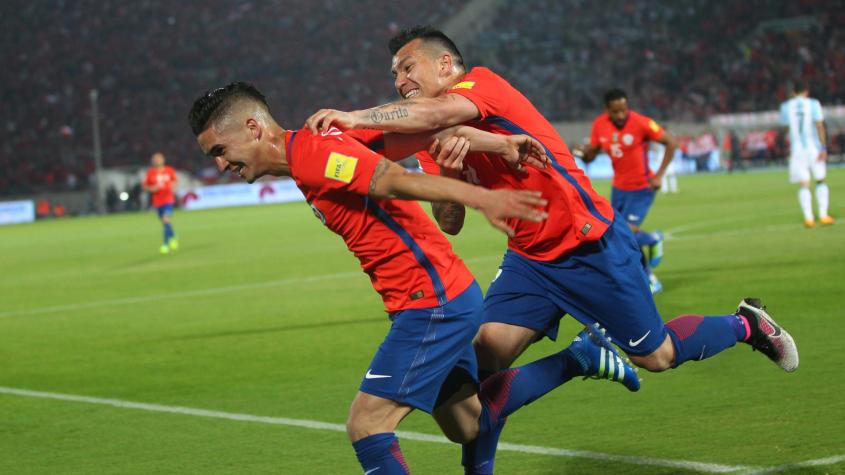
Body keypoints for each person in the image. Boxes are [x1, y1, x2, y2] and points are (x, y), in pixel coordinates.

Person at [305, 25, 799, 474]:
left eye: (406, 67)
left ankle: (747, 324)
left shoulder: (480, 85)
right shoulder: (431, 137)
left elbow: (431, 110)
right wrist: (450, 168)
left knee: (659, 356)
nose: (399, 80)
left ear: (444, 65)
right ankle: (553, 388)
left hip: (590, 246)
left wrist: (352, 116)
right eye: (393, 73)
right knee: (478, 366)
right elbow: (450, 222)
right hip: (529, 259)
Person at [189, 82, 639, 475]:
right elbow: (419, 135)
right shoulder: (312, 151)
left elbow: (392, 179)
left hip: (432, 301)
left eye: (220, 151)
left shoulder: (314, 153)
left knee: (366, 424)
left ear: (252, 128)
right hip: (436, 296)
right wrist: (497, 145)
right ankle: (580, 358)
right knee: (466, 424)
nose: (221, 164)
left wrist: (479, 196)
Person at [575, 89, 678, 294]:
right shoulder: (599, 125)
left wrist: (658, 176)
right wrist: (584, 154)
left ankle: (652, 239)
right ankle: (650, 278)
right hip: (618, 189)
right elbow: (592, 155)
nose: (621, 115)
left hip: (641, 187)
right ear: (608, 110)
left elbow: (671, 143)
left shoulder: (641, 122)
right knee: (617, 236)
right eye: (616, 112)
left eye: (624, 110)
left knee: (626, 232)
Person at [779, 80, 834, 227]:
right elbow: (819, 125)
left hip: (797, 150)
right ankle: (823, 215)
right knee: (820, 180)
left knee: (804, 184)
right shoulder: (814, 104)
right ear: (806, 91)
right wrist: (823, 147)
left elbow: (784, 128)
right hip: (814, 148)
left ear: (792, 93)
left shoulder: (785, 107)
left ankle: (809, 218)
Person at [143, 152, 179, 253]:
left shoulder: (169, 170)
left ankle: (165, 244)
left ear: (163, 160)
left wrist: (173, 187)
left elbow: (175, 181)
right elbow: (145, 187)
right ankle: (173, 235)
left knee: (166, 220)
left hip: (168, 200)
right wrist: (152, 188)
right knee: (165, 223)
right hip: (157, 202)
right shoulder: (150, 173)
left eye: (158, 159)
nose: (157, 160)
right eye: (155, 159)